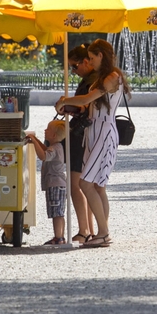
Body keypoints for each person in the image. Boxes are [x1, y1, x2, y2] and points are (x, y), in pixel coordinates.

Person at [55, 39, 130, 248]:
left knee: (85, 183)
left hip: (104, 131)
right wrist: (68, 105)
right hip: (94, 131)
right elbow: (88, 106)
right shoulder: (103, 77)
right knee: (98, 186)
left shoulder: (112, 77)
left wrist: (65, 101)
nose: (88, 61)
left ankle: (104, 233)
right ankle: (101, 232)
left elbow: (87, 99)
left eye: (91, 57)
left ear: (101, 56)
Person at [63, 44, 97, 245]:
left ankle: (84, 229)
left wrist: (67, 104)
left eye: (75, 67)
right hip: (87, 134)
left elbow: (85, 107)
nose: (73, 72)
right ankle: (90, 229)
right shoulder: (95, 80)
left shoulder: (91, 82)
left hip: (80, 134)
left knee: (76, 184)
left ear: (86, 61)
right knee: (89, 184)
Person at [26, 120, 68, 245]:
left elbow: (43, 155)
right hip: (58, 184)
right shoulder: (56, 146)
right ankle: (60, 236)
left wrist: (34, 141)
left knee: (57, 213)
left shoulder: (55, 148)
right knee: (59, 212)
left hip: (55, 184)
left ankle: (58, 237)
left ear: (54, 135)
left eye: (47, 129)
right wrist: (36, 141)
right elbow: (45, 149)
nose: (45, 130)